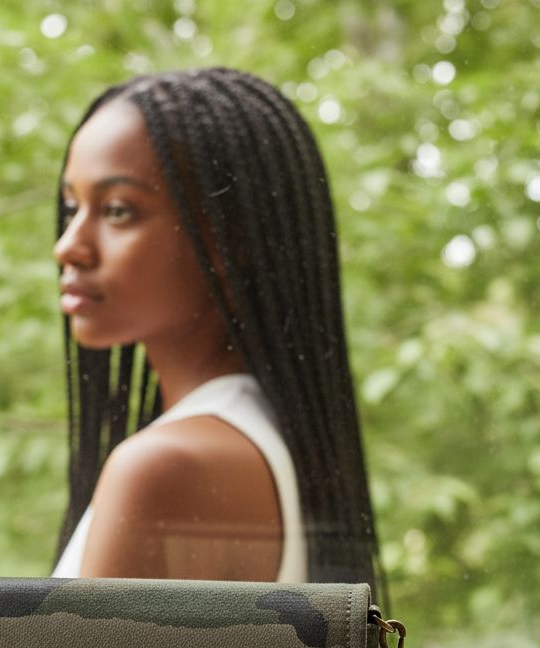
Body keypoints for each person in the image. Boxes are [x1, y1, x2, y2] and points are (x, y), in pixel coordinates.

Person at [49, 66, 383, 594]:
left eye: (117, 210)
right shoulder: (262, 433)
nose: (69, 245)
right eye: (72, 207)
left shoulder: (165, 467)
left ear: (232, 238)